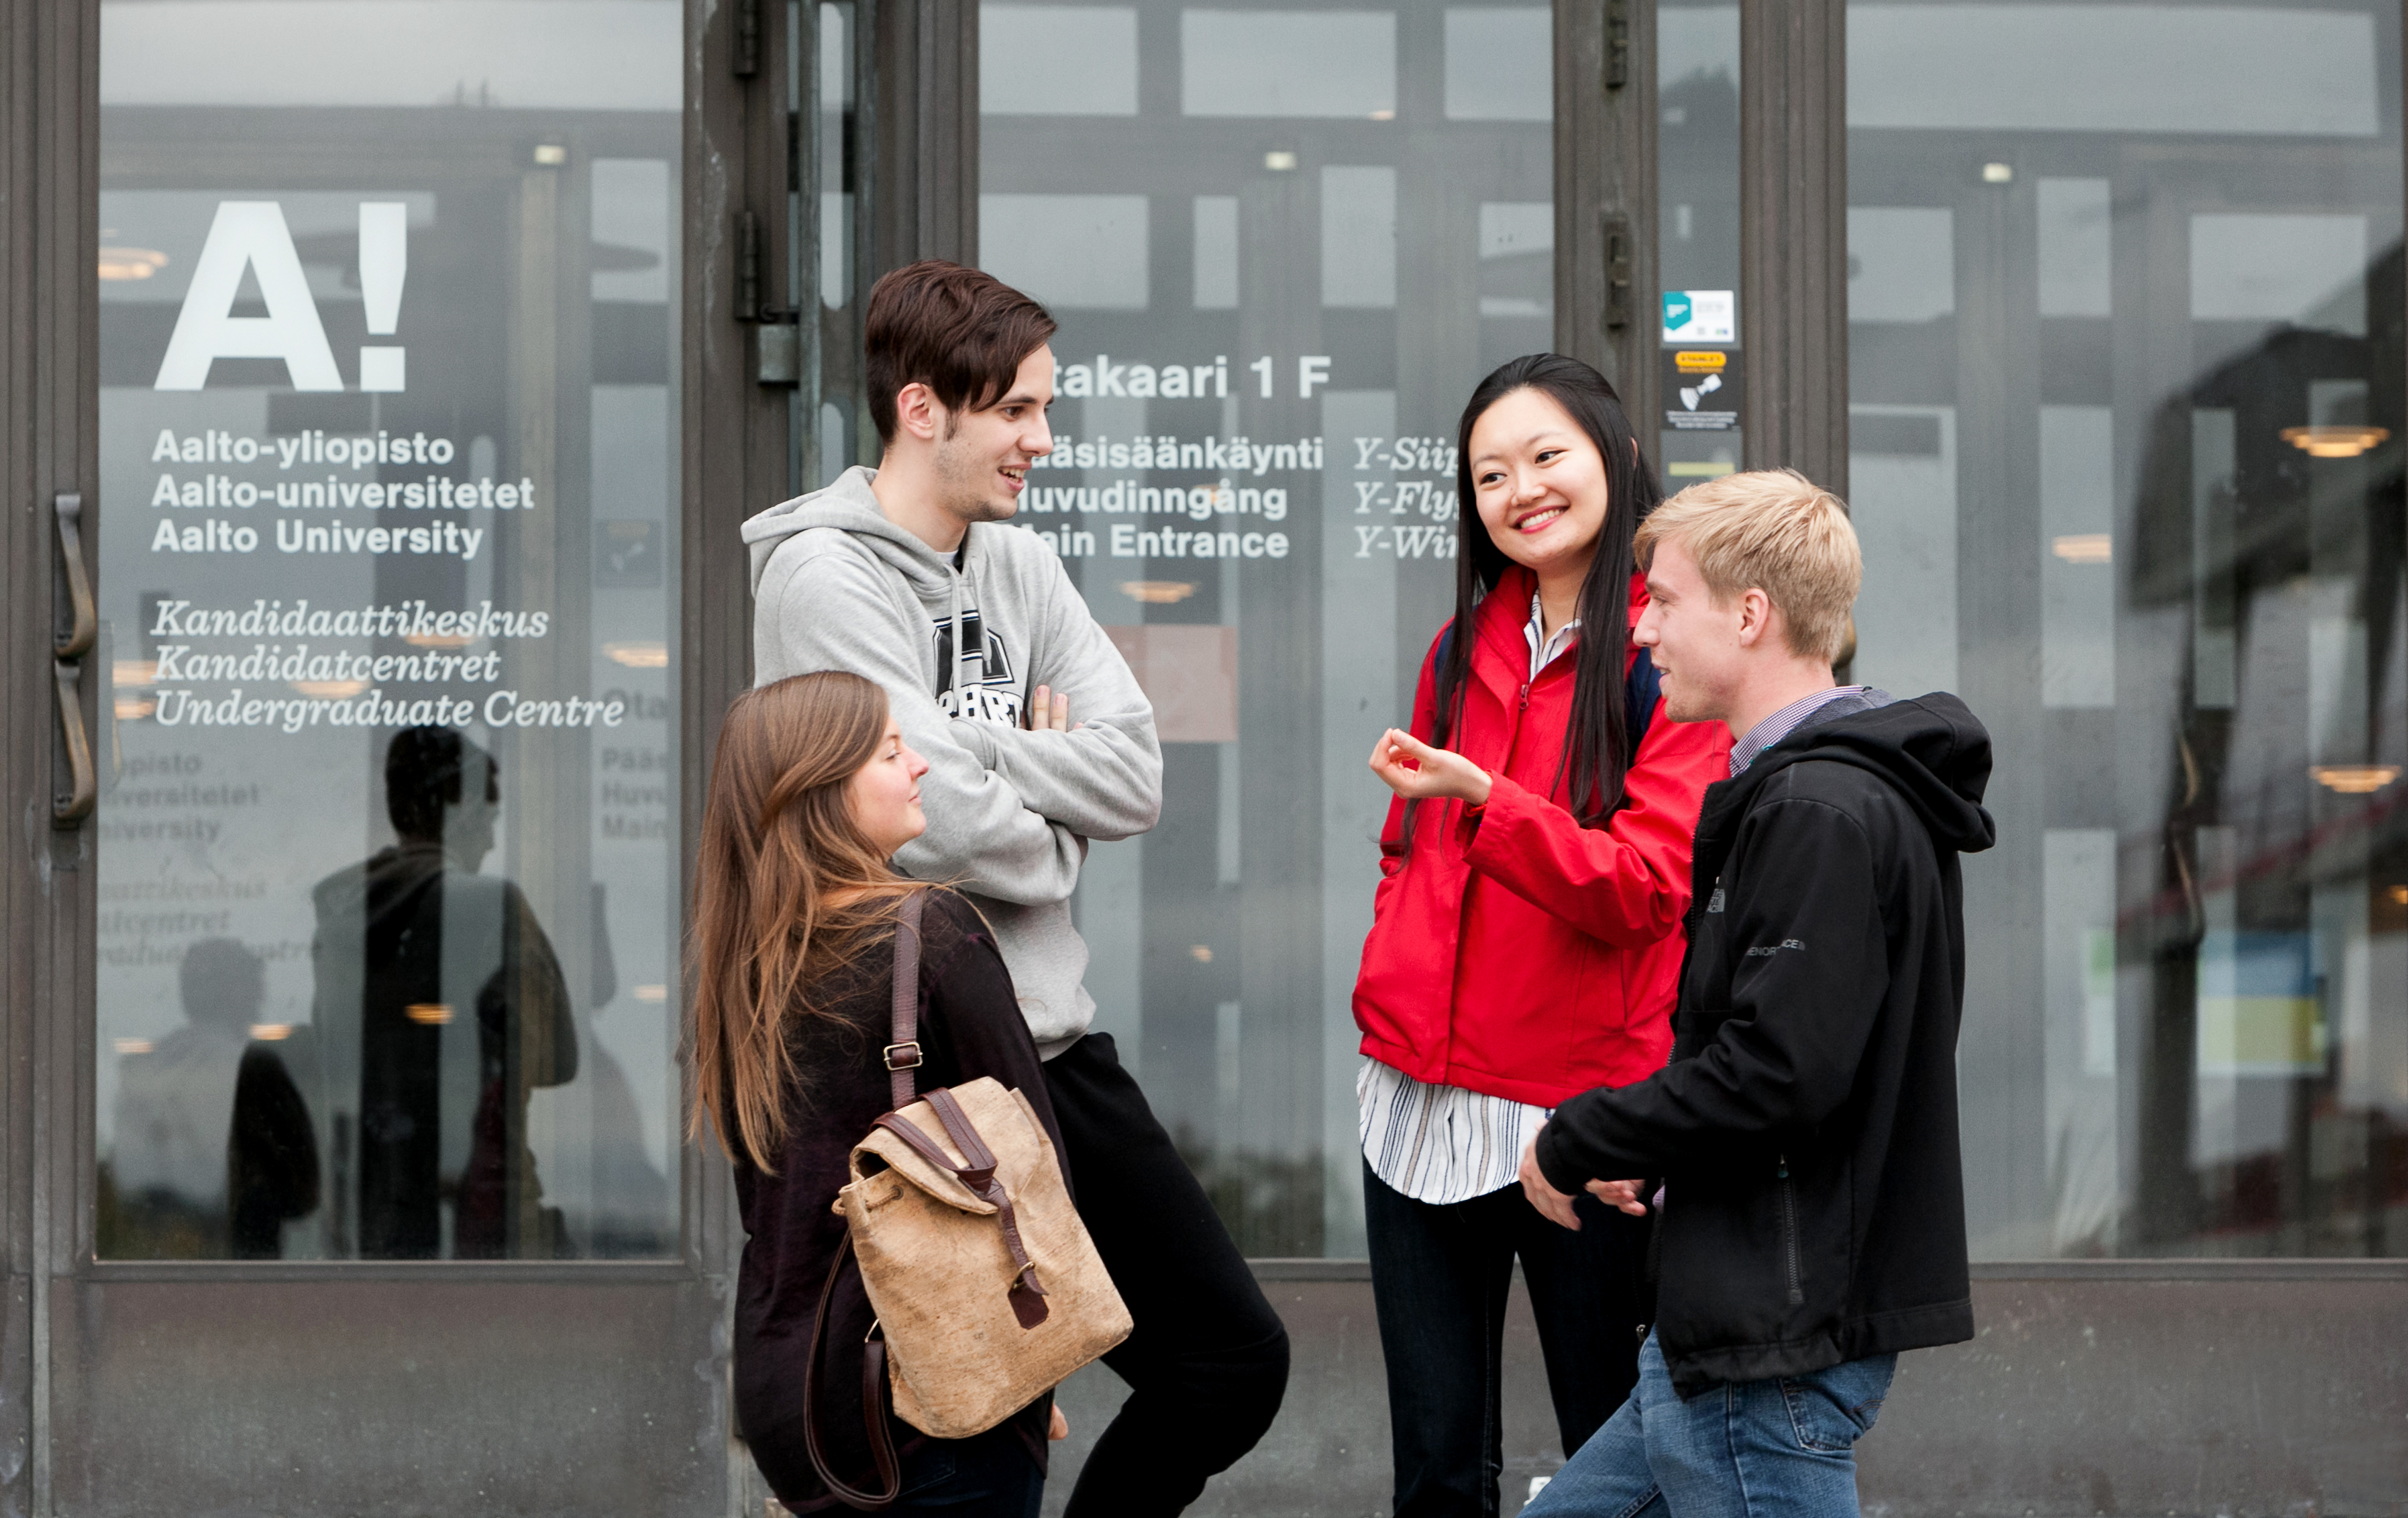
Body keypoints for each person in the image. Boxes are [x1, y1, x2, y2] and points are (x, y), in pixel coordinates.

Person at [742, 259, 1289, 1517]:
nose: (1044, 439)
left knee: (1227, 1361)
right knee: (953, 1419)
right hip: (912, 1062)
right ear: (922, 408)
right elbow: (920, 820)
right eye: (1019, 411)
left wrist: (977, 750)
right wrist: (1047, 828)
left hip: (1047, 1042)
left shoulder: (1020, 564)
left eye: (1048, 407)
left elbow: (1135, 771)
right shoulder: (823, 578)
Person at [1514, 468, 1995, 1518]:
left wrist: (1581, 1134)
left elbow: (1777, 1072)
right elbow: (1796, 1059)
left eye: (1664, 601)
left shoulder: (1819, 807)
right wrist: (1658, 1149)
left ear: (1749, 613)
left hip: (1765, 1344)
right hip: (1728, 1332)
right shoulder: (1824, 795)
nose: (1640, 631)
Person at [1351, 354, 1730, 1517]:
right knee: (1433, 1470)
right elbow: (1402, 852)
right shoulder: (1454, 648)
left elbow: (1645, 887)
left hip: (1585, 1118)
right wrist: (1388, 982)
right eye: (1487, 474)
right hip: (1413, 1098)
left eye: (1544, 455)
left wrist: (1483, 803)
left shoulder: (1665, 659)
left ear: (1615, 455)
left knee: (1615, 1462)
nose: (1519, 489)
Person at [692, 670, 1065, 1515]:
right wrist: (1026, 1367)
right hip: (923, 1391)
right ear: (821, 788)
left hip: (795, 1399)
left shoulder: (746, 966)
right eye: (892, 751)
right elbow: (1037, 1174)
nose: (921, 766)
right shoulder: (928, 933)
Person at [308, 726, 578, 1258]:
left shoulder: (339, 918)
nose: (492, 841)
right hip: (484, 1191)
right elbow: (555, 1058)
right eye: (488, 819)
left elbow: (333, 1051)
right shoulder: (487, 906)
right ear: (459, 810)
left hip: (371, 1189)